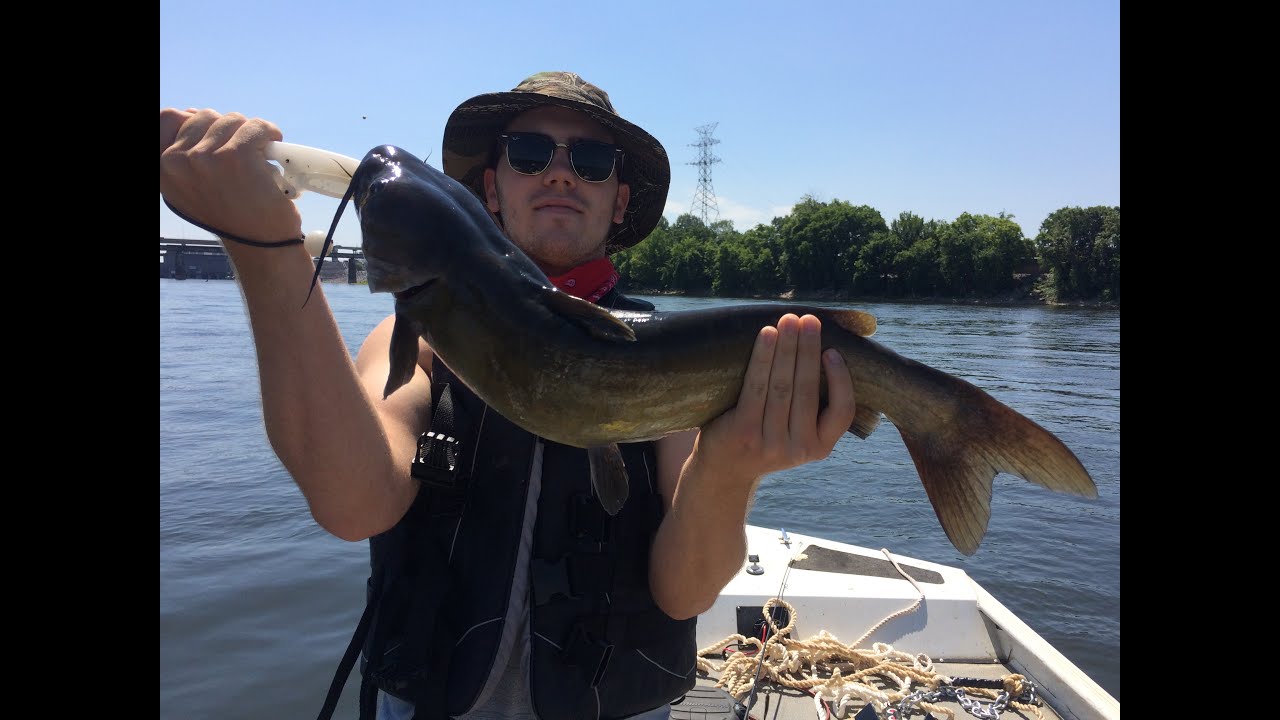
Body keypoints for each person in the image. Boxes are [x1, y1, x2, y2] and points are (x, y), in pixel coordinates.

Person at [158, 71, 857, 720]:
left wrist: (731, 467)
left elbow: (686, 593)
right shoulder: (420, 340)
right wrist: (262, 247)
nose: (559, 171)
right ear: (489, 189)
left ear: (619, 199)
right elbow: (354, 503)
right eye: (528, 152)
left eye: (590, 161)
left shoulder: (671, 362)